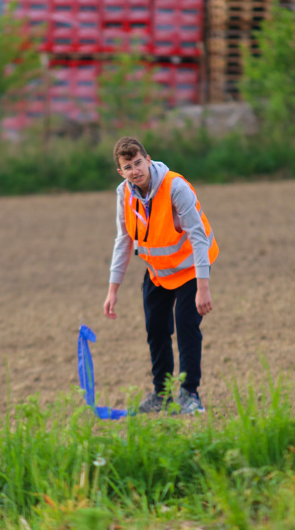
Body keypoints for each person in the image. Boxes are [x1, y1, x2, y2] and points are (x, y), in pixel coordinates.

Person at [103, 136, 219, 414]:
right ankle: (162, 394)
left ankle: (190, 394)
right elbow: (123, 241)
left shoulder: (175, 186)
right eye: (128, 166)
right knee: (155, 328)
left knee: (186, 327)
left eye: (139, 162)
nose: (135, 170)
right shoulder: (124, 194)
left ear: (148, 159)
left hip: (191, 266)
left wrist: (203, 287)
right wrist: (112, 289)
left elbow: (198, 237)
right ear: (121, 172)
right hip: (158, 270)